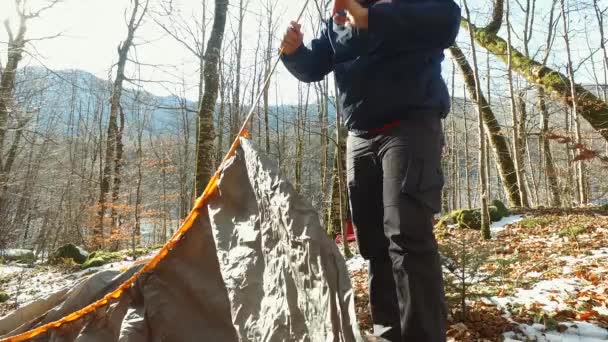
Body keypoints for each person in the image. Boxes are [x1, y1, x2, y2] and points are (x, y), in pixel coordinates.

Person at [280, 0, 460, 341]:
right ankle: (389, 333)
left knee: (406, 236)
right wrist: (293, 54)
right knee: (374, 244)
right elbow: (316, 64)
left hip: (409, 127)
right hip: (360, 137)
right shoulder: (338, 17)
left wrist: (373, 17)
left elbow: (446, 21)